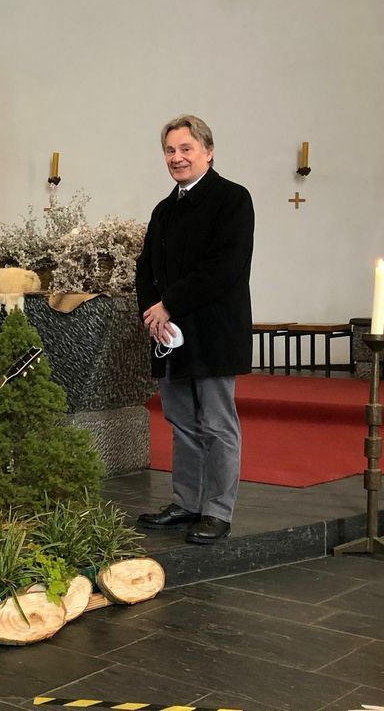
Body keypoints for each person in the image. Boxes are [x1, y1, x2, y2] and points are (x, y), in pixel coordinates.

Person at [134, 115, 255, 544]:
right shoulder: (164, 209)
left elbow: (221, 269)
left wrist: (168, 304)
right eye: (170, 150)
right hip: (169, 333)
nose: (177, 157)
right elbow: (145, 266)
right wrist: (151, 311)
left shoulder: (232, 200)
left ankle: (217, 511)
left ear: (208, 151)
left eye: (185, 148)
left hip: (214, 330)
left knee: (217, 423)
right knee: (181, 420)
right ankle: (187, 502)